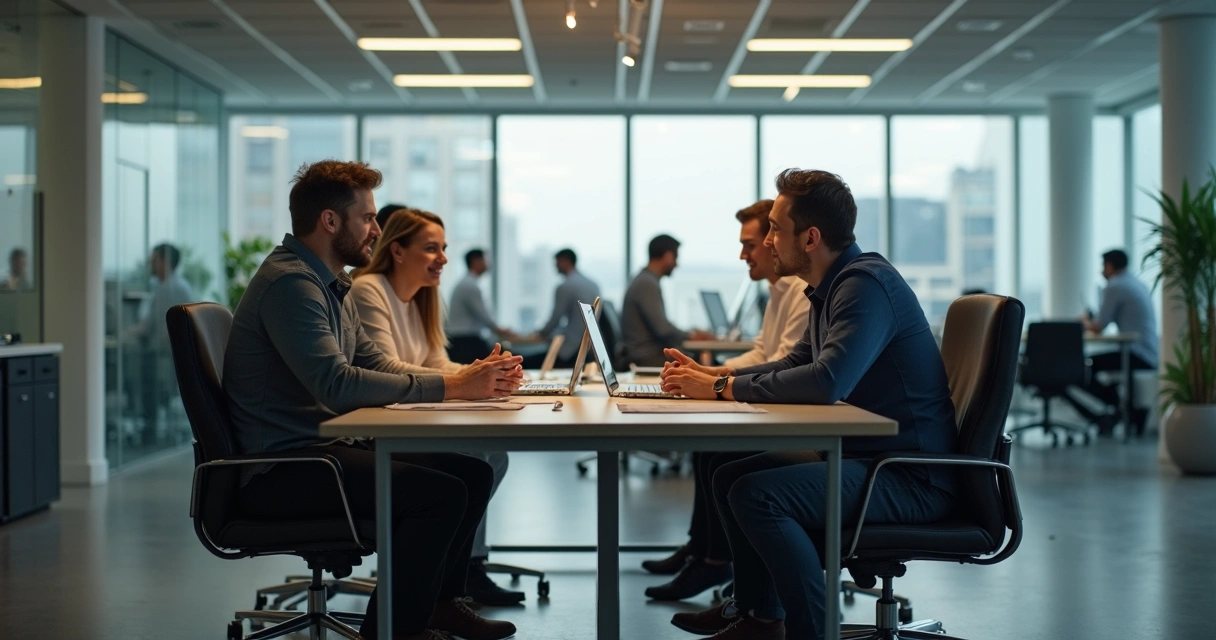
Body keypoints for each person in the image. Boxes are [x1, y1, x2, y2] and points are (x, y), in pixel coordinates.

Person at [223, 159, 523, 640]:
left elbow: (377, 364)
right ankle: (393, 633)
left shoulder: (330, 282)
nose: (376, 230)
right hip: (286, 467)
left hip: (324, 451)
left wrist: (463, 380)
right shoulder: (292, 284)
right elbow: (337, 384)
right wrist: (453, 386)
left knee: (473, 471)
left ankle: (440, 606)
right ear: (330, 221)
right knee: (440, 494)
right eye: (368, 218)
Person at [659, 169, 959, 640]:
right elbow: (798, 359)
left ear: (811, 237)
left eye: (776, 228)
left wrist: (720, 391)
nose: (770, 239)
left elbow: (826, 381)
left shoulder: (864, 285)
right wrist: (716, 376)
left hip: (909, 475)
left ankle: (809, 633)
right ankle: (759, 618)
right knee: (729, 472)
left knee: (757, 494)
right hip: (874, 460)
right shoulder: (833, 286)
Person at [346, 207, 525, 606]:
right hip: (377, 426)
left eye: (443, 248)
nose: (444, 258)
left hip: (405, 415)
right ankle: (455, 578)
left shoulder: (422, 299)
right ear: (396, 251)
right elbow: (385, 368)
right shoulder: (369, 289)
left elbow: (437, 365)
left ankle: (456, 575)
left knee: (494, 455)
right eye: (431, 248)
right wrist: (465, 382)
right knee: (477, 456)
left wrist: (488, 374)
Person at [641, 199, 810, 602]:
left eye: (752, 243)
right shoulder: (780, 290)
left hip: (804, 421)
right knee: (709, 449)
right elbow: (764, 353)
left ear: (776, 243)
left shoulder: (800, 291)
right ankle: (704, 552)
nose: (744, 254)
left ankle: (714, 560)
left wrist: (713, 378)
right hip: (783, 404)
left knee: (718, 451)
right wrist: (710, 375)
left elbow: (782, 363)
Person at [1074, 248, 1159, 435]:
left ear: (1109, 266)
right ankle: (1122, 409)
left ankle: (1122, 408)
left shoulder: (1114, 286)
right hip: (1149, 351)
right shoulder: (1136, 283)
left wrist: (1084, 321)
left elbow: (1098, 326)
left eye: (1103, 266)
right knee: (1088, 366)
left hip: (1135, 352)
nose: (1101, 271)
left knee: (1082, 367)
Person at [127, 243, 197, 444]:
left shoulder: (171, 289)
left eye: (154, 260)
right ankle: (149, 425)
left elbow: (149, 326)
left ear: (165, 262)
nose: (150, 264)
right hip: (168, 353)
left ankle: (148, 429)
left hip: (165, 355)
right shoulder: (173, 286)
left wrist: (124, 335)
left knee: (141, 372)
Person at [620, 234, 713, 367]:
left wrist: (689, 334)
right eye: (676, 258)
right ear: (668, 256)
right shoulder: (646, 283)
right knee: (703, 362)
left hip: (647, 355)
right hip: (647, 358)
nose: (676, 264)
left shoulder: (646, 280)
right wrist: (691, 335)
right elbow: (664, 330)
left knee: (697, 358)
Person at [523, 248, 601, 369]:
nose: (555, 266)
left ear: (565, 261)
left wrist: (541, 334)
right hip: (590, 347)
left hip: (569, 349)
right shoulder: (592, 284)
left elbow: (555, 318)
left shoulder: (566, 286)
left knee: (524, 361)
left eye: (557, 262)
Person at [447, 249, 516, 364]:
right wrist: (501, 330)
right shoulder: (470, 285)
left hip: (463, 340)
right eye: (485, 259)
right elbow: (484, 315)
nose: (488, 263)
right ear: (476, 261)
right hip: (466, 341)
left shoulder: (467, 283)